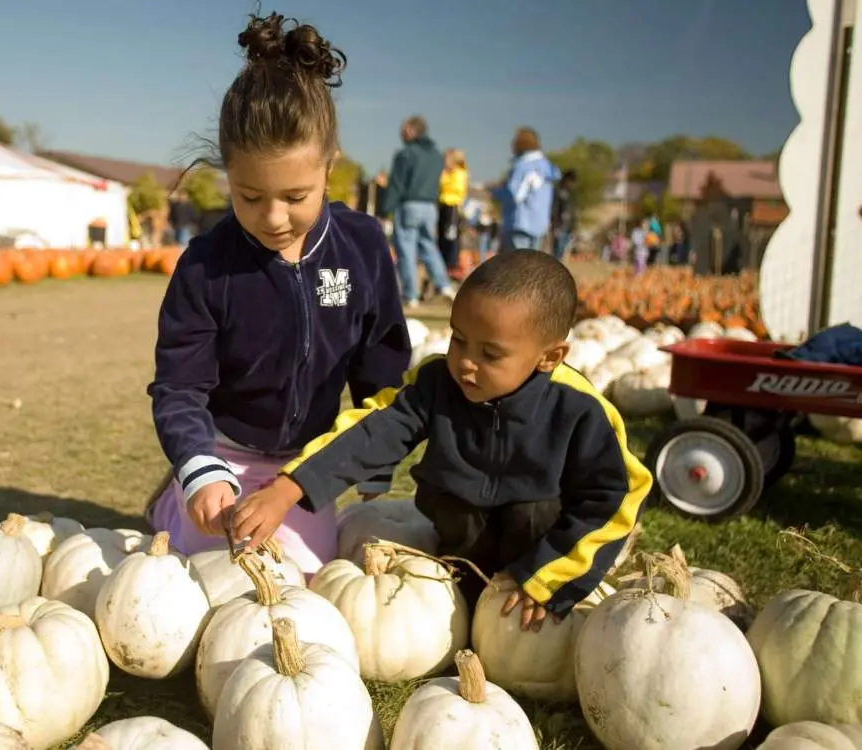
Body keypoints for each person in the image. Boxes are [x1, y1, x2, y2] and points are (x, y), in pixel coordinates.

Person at [232, 250, 652, 626]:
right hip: (460, 541)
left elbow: (616, 496)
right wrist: (289, 487)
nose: (466, 364)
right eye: (459, 340)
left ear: (549, 356)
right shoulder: (436, 383)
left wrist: (550, 574)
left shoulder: (580, 410)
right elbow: (371, 432)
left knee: (535, 512)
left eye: (490, 354)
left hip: (540, 553)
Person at [145, 11, 411, 575]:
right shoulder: (205, 266)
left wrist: (371, 461)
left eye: (295, 195)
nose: (273, 218)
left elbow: (380, 363)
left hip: (310, 460)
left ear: (329, 167)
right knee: (211, 570)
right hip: (226, 450)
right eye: (249, 196)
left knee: (308, 572)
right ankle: (175, 495)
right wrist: (200, 465)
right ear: (228, 177)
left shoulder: (362, 246)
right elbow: (179, 386)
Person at [383, 116, 455, 309]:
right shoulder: (436, 155)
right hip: (430, 207)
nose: (401, 134)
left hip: (409, 205)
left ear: (412, 130)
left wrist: (385, 209)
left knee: (406, 250)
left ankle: (410, 295)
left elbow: (397, 184)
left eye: (403, 130)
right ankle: (444, 285)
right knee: (429, 247)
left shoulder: (406, 154)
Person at [493, 127, 560, 252]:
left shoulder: (523, 165)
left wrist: (494, 191)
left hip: (520, 224)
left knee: (517, 267)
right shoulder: (546, 166)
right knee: (531, 266)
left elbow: (514, 195)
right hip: (540, 225)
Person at [437, 149, 469, 274]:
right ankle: (443, 261)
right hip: (443, 205)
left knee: (451, 236)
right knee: (441, 236)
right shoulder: (446, 173)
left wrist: (444, 179)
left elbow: (456, 188)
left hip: (453, 207)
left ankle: (451, 262)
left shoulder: (460, 173)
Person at [550, 169, 577, 261]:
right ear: (565, 180)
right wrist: (555, 226)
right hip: (559, 227)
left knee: (563, 253)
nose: (571, 184)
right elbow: (554, 210)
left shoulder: (571, 195)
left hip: (568, 227)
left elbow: (573, 212)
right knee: (557, 253)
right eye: (570, 181)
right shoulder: (557, 192)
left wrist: (573, 228)